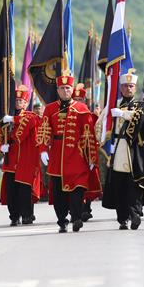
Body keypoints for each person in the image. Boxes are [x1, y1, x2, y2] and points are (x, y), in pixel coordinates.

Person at [37, 72, 99, 233]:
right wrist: (43, 149)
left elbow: (89, 134)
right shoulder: (50, 109)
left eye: (68, 87)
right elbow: (44, 130)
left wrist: (91, 156)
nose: (65, 90)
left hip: (77, 155)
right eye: (62, 88)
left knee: (77, 189)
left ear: (72, 89)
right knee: (58, 192)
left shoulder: (82, 109)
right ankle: (61, 220)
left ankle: (77, 217)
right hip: (57, 153)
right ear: (57, 90)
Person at [102, 69, 144, 230]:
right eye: (125, 86)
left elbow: (142, 118)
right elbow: (104, 127)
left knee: (134, 184)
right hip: (118, 149)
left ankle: (135, 214)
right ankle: (122, 218)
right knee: (118, 184)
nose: (128, 89)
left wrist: (124, 115)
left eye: (131, 86)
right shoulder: (114, 106)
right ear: (120, 88)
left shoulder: (142, 105)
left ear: (135, 88)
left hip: (134, 151)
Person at [0, 85, 41, 226]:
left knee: (24, 189)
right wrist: (1, 147)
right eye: (17, 100)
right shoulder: (5, 120)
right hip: (10, 159)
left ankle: (27, 215)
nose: (18, 103)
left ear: (26, 103)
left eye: (21, 101)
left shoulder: (30, 116)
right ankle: (14, 216)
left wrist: (13, 119)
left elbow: (31, 122)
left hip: (25, 159)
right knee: (11, 190)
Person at [72, 83, 102, 222]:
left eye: (81, 100)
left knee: (89, 180)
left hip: (88, 151)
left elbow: (96, 136)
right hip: (73, 153)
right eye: (75, 99)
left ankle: (87, 208)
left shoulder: (91, 116)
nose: (78, 102)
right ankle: (77, 209)